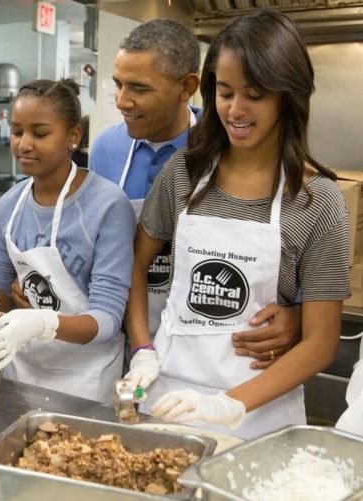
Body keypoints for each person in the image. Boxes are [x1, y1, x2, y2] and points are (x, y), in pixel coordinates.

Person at [123, 9, 350, 439]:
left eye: (255, 95)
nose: (236, 110)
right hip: (168, 400)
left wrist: (228, 404)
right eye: (224, 93)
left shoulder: (317, 200)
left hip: (259, 417)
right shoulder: (184, 174)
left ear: (289, 96)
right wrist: (142, 349)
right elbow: (134, 266)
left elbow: (321, 343)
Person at [89, 18, 300, 371]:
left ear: (187, 87)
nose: (123, 101)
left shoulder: (230, 147)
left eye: (138, 88)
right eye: (118, 85)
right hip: (118, 344)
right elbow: (99, 246)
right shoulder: (105, 149)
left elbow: (293, 257)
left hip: (217, 351)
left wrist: (299, 315)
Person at [0, 78, 136, 404]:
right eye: (18, 132)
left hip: (87, 376)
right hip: (22, 367)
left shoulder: (107, 205)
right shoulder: (10, 205)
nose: (24, 144)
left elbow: (107, 319)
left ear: (73, 136)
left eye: (40, 133)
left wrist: (42, 321)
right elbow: (2, 293)